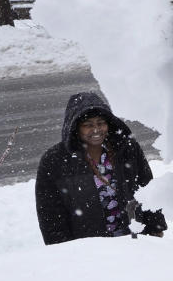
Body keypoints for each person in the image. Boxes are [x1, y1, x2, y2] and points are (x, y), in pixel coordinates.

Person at [35, 92, 166, 245]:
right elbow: (50, 213)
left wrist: (155, 227)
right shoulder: (54, 160)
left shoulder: (126, 147)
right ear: (75, 127)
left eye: (101, 123)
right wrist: (62, 249)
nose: (96, 130)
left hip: (134, 241)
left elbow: (146, 185)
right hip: (89, 250)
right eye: (88, 125)